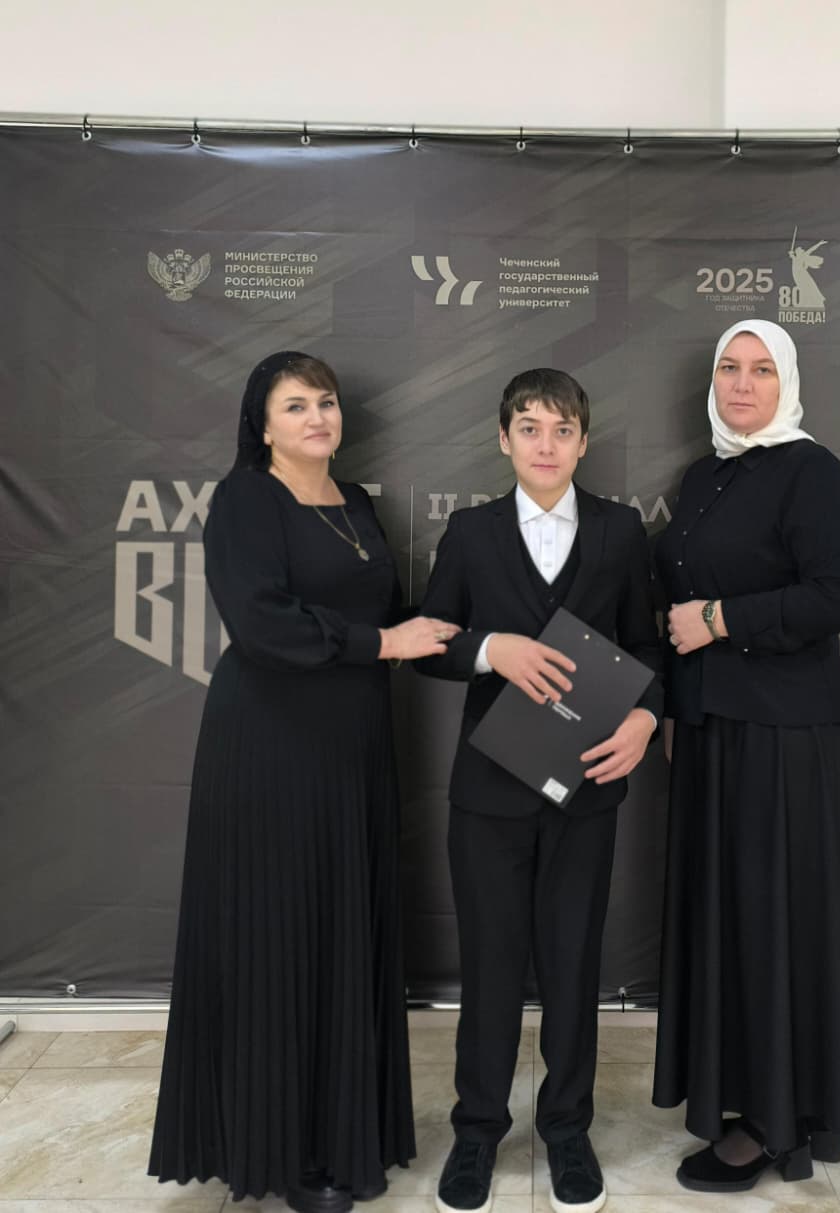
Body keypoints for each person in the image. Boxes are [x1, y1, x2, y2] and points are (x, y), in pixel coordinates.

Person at [149, 351, 460, 1213]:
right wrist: (383, 644)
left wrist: (475, 630)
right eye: (295, 405)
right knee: (280, 936)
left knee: (340, 931)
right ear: (263, 423)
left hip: (352, 748)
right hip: (271, 747)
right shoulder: (245, 499)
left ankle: (343, 1130)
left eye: (325, 402)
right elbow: (262, 623)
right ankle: (282, 1148)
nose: (318, 417)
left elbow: (391, 614)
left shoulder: (355, 501)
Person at [652, 319, 840, 1191]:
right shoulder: (704, 476)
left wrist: (723, 619)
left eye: (761, 369)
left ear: (786, 382)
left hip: (788, 744)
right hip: (717, 736)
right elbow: (675, 608)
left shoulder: (810, 470)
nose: (742, 384)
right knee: (737, 925)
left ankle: (775, 1123)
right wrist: (677, 711)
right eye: (729, 367)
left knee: (776, 923)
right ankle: (750, 1096)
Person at [414, 368, 662, 1213]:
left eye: (562, 429)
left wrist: (647, 718)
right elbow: (432, 641)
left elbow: (646, 648)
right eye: (529, 427)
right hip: (488, 794)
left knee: (572, 963)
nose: (545, 444)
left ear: (584, 442)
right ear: (504, 438)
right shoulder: (471, 531)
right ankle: (477, 1130)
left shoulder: (621, 531)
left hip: (586, 788)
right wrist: (494, 650)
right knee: (489, 966)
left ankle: (566, 1127)